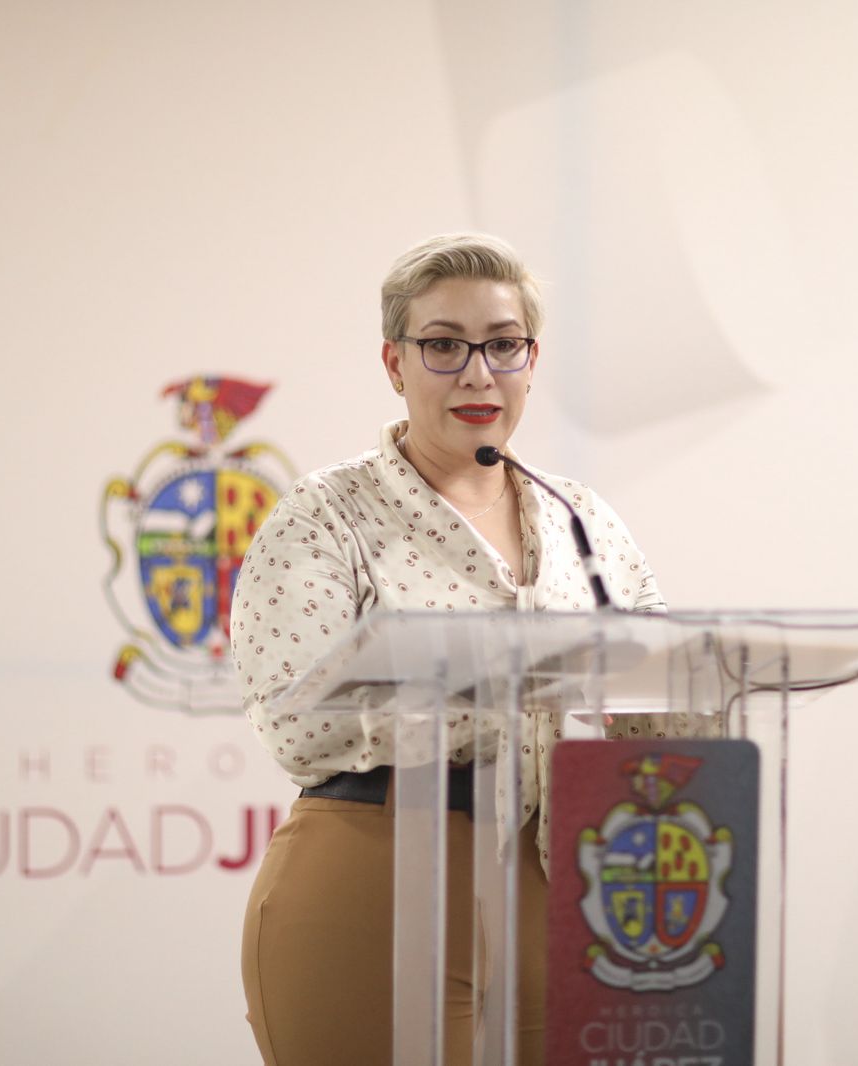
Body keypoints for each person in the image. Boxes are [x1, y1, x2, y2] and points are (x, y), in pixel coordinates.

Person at [234, 233, 669, 1066]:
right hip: (375, 881)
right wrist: (511, 687)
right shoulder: (326, 515)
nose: (478, 373)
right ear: (395, 363)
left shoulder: (582, 520)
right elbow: (299, 723)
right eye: (444, 345)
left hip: (565, 885)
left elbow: (657, 683)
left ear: (532, 360)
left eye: (503, 345)